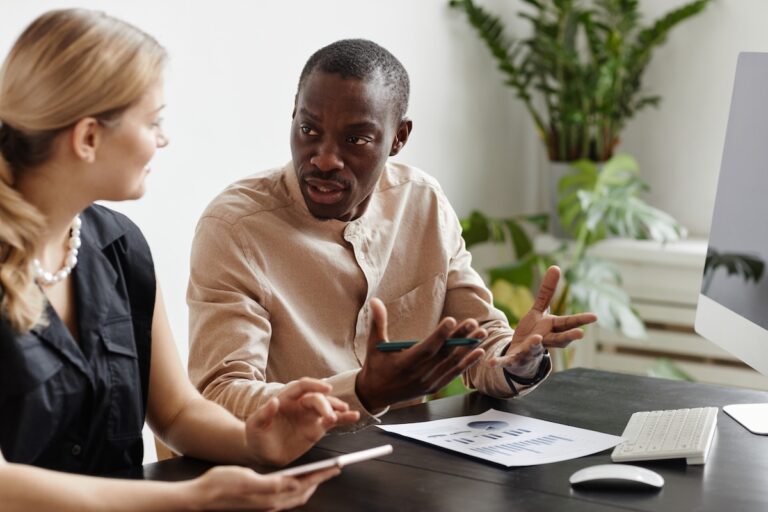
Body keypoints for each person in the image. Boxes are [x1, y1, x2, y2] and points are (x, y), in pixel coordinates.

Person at [0, 9, 359, 511]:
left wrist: (256, 442)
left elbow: (176, 412)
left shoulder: (120, 246)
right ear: (88, 138)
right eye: (153, 122)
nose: (163, 139)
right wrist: (187, 498)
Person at [187, 39, 597, 429]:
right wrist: (360, 393)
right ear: (293, 116)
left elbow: (477, 344)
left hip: (405, 461)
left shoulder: (422, 202)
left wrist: (516, 358)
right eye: (309, 130)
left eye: (355, 139)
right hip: (289, 465)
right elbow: (220, 397)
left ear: (399, 137)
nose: (324, 160)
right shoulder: (236, 228)